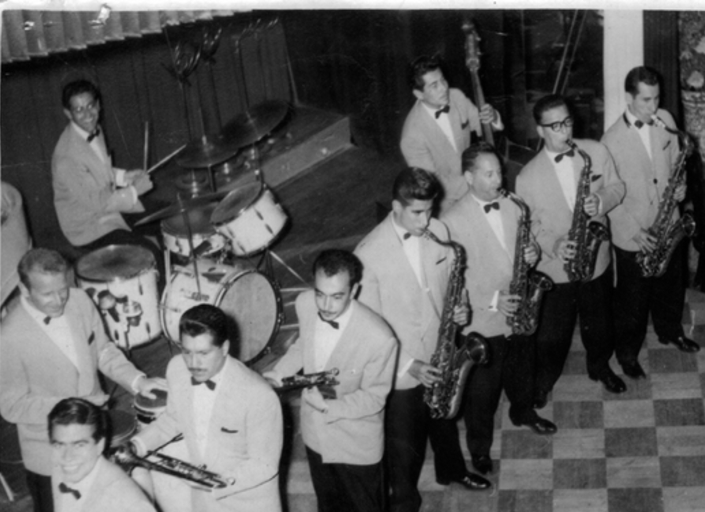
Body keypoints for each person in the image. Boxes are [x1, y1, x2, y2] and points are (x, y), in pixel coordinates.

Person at [354, 167, 491, 512]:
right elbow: (369, 328)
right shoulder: (368, 255)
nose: (425, 220)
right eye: (417, 212)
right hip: (401, 365)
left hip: (440, 348)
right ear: (395, 207)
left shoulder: (438, 230)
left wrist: (459, 307)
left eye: (429, 210)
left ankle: (453, 470)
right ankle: (404, 501)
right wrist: (409, 365)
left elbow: (450, 284)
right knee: (404, 446)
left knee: (443, 420)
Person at [0, 248, 166, 512]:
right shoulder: (7, 337)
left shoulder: (79, 300)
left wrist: (137, 381)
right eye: (47, 294)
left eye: (62, 289)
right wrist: (74, 406)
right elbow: (11, 405)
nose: (58, 300)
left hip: (93, 443)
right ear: (23, 288)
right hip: (50, 456)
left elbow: (103, 350)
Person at [440, 143, 558, 476]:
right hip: (484, 320)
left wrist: (532, 252)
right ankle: (479, 449)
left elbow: (523, 243)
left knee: (522, 369)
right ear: (468, 177)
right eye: (489, 173)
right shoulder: (451, 222)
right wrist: (491, 301)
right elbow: (453, 281)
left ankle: (523, 412)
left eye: (499, 171)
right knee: (483, 392)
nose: (498, 179)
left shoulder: (511, 205)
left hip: (519, 307)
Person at [264, 250, 398, 512]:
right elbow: (304, 345)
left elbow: (374, 398)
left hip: (356, 445)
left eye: (337, 296)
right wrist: (278, 373)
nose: (325, 305)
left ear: (354, 290)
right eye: (320, 293)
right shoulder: (305, 304)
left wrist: (328, 407)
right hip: (316, 436)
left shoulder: (380, 338)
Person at [516, 94, 627, 404]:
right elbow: (528, 226)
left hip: (597, 258)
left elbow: (618, 186)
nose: (564, 132)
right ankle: (544, 381)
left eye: (567, 122)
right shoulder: (527, 177)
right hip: (556, 267)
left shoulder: (594, 151)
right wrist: (554, 244)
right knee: (553, 334)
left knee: (601, 322)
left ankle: (600, 366)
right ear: (540, 131)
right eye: (555, 127)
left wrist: (601, 200)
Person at [131, 304, 284, 512]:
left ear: (224, 348)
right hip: (203, 504)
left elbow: (263, 465)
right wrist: (138, 445)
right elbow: (173, 419)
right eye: (187, 352)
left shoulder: (259, 395)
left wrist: (211, 481)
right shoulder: (177, 369)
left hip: (247, 503)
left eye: (203, 353)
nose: (193, 363)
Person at [602, 66, 699, 381]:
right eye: (645, 100)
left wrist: (680, 185)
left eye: (656, 98)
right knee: (633, 300)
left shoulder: (666, 121)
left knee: (671, 286)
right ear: (629, 98)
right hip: (636, 234)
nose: (653, 107)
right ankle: (627, 354)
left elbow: (673, 168)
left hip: (668, 223)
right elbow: (606, 197)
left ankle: (670, 331)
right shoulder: (611, 140)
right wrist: (633, 231)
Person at [51, 79, 162, 273]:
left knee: (166, 219)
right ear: (68, 113)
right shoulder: (66, 158)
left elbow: (98, 169)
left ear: (99, 105)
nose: (88, 115)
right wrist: (135, 190)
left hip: (109, 206)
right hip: (88, 226)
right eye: (79, 110)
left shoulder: (93, 129)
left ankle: (177, 272)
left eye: (90, 106)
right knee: (149, 254)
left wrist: (124, 177)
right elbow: (98, 203)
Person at [400, 56, 503, 213]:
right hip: (447, 203)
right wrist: (479, 183)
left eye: (443, 80)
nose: (444, 88)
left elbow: (483, 126)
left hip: (478, 182)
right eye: (434, 85)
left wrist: (493, 117)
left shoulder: (456, 97)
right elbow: (435, 183)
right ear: (418, 94)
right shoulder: (411, 137)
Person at [47, 398, 156, 512]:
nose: (67, 457)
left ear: (100, 445)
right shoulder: (60, 466)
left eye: (79, 445)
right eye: (59, 445)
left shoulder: (130, 503)